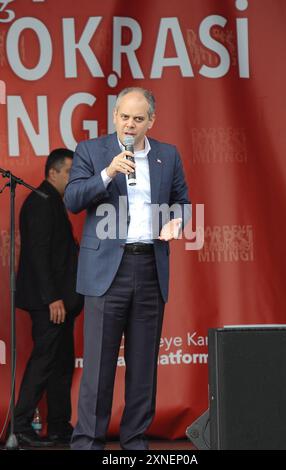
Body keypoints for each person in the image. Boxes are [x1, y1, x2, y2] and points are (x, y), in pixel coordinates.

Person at [64, 87, 190, 450]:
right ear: (114, 116)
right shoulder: (93, 151)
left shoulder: (168, 154)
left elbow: (182, 200)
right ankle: (88, 441)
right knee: (99, 367)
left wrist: (177, 221)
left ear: (151, 120)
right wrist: (106, 173)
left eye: (138, 119)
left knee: (143, 363)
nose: (130, 124)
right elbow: (73, 199)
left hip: (150, 265)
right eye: (124, 117)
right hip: (106, 271)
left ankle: (135, 441)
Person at [13, 149, 84, 447]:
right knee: (44, 361)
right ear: (52, 172)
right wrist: (53, 298)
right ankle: (20, 426)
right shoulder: (41, 202)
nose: (72, 179)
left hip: (62, 303)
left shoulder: (54, 202)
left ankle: (58, 425)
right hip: (50, 303)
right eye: (69, 173)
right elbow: (38, 255)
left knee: (62, 362)